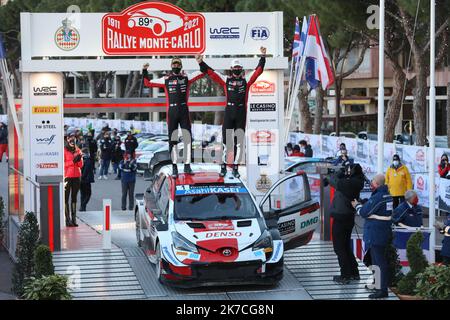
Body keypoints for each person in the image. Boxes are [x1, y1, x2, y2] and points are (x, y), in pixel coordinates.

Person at [200, 47, 267, 178]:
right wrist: (201, 63)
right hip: (229, 111)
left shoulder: (246, 80)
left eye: (239, 67)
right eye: (235, 67)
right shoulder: (226, 80)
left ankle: (235, 167)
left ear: (241, 69)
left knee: (239, 142)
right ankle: (224, 166)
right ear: (231, 69)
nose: (237, 69)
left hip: (241, 111)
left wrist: (263, 57)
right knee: (226, 141)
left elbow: (258, 71)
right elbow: (211, 73)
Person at [142, 55, 205, 178]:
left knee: (187, 138)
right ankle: (174, 166)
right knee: (173, 140)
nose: (176, 66)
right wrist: (144, 70)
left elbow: (202, 73)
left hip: (183, 110)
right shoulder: (166, 79)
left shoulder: (186, 77)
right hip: (172, 110)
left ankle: (187, 166)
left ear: (181, 66)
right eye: (174, 64)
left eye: (178, 64)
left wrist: (200, 62)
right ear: (171, 66)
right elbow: (147, 83)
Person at [352, 174, 394, 299]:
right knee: (376, 260)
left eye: (373, 182)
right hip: (382, 232)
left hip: (376, 233)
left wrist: (357, 205)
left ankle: (382, 290)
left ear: (377, 184)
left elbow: (364, 212)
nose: (371, 184)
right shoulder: (388, 195)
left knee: (379, 261)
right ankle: (377, 284)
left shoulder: (379, 197)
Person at [327, 164, 365, 284]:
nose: (347, 172)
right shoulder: (356, 181)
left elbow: (333, 180)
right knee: (346, 246)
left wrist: (339, 172)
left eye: (349, 170)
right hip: (347, 217)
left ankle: (345, 275)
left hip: (341, 217)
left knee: (339, 248)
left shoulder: (351, 183)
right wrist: (343, 173)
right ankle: (354, 272)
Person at [64, 133, 83, 227]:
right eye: (70, 139)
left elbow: (81, 165)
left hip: (77, 176)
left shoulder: (78, 150)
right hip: (67, 176)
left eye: (74, 139)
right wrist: (72, 161)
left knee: (74, 197)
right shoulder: (64, 150)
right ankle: (67, 220)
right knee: (66, 198)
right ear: (67, 140)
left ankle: (74, 219)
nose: (72, 141)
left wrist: (79, 159)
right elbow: (62, 164)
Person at [80, 147, 95, 212]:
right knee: (88, 194)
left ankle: (82, 208)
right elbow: (87, 169)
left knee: (82, 194)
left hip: (80, 179)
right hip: (86, 179)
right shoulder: (88, 159)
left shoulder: (80, 159)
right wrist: (83, 176)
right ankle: (83, 205)